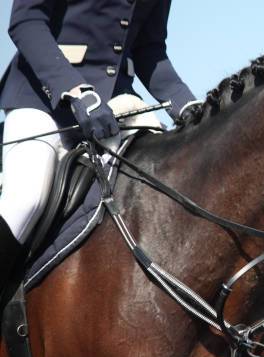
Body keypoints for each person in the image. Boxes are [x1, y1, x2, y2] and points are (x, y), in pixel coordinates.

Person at [0, 0, 201, 282]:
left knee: (166, 182)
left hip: (112, 108)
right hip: (43, 99)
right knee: (26, 200)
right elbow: (26, 21)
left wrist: (188, 105)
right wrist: (74, 89)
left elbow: (149, 48)